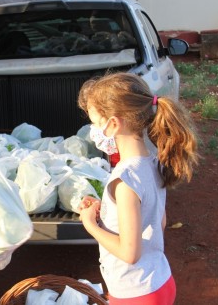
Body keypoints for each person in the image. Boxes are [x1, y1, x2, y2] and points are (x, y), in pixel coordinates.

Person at [77, 72, 199, 304]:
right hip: (161, 281)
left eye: (95, 123)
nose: (94, 131)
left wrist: (90, 225)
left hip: (135, 292)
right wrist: (107, 216)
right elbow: (157, 221)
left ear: (113, 125)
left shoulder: (124, 180)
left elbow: (129, 254)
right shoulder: (154, 163)